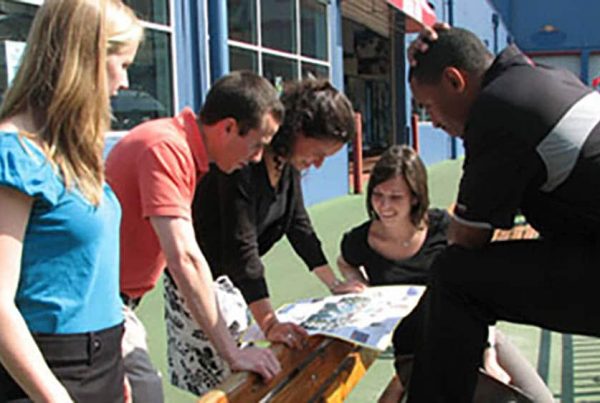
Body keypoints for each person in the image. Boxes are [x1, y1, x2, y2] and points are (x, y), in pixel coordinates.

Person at [404, 26, 600, 402]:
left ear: (454, 80)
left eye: (428, 106)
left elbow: (467, 238)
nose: (435, 121)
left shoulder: (497, 108)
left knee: (454, 276)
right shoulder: (540, 78)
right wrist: (450, 44)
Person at [162, 78, 366, 395]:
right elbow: (241, 248)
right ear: (297, 131)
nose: (318, 163)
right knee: (228, 384)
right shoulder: (243, 160)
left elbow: (298, 224)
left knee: (249, 374)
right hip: (199, 285)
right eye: (318, 152)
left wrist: (334, 283)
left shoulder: (286, 163)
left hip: (232, 287)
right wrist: (269, 323)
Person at [105, 71, 284, 402]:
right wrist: (232, 353)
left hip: (117, 299)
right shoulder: (166, 149)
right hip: (97, 300)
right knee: (145, 391)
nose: (258, 157)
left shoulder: (182, 149)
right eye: (257, 144)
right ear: (228, 127)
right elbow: (184, 257)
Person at [0, 1, 143, 401]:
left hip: (100, 362)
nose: (125, 83)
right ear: (88, 58)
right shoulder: (15, 154)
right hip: (44, 373)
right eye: (122, 64)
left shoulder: (73, 152)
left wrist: (111, 366)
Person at [337, 145, 554, 403]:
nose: (384, 205)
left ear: (415, 197)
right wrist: (359, 283)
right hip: (416, 353)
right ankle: (402, 384)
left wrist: (489, 356)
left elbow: (478, 290)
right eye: (378, 194)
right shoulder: (361, 240)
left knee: (541, 399)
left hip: (474, 338)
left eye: (395, 197)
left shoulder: (442, 228)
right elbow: (345, 262)